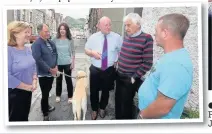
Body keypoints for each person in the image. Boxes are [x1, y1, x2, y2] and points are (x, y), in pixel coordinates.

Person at [137, 13, 193, 119]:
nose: (154, 34)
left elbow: (162, 108)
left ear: (165, 33)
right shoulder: (172, 57)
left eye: (156, 30)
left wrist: (141, 116)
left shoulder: (176, 65)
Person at [115, 13, 153, 119]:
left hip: (130, 78)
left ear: (138, 25)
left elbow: (148, 63)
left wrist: (134, 76)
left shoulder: (146, 38)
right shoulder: (127, 36)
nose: (126, 28)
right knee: (118, 101)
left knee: (126, 105)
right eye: (125, 25)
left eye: (129, 25)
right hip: (119, 75)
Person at [85, 16, 122, 120]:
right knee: (94, 90)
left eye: (110, 24)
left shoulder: (117, 38)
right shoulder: (93, 37)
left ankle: (102, 107)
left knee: (106, 90)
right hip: (95, 69)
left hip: (109, 70)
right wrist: (92, 53)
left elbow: (121, 50)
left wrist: (117, 60)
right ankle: (94, 109)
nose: (109, 27)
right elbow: (86, 50)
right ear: (99, 26)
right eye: (106, 25)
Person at [8, 21, 37, 121]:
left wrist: (34, 80)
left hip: (27, 92)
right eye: (26, 32)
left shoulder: (28, 49)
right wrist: (27, 87)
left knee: (24, 118)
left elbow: (33, 66)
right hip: (14, 94)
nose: (29, 35)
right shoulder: (8, 51)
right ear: (15, 33)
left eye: (30, 32)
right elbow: (6, 76)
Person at [31, 23, 58, 121]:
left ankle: (46, 106)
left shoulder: (50, 42)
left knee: (49, 89)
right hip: (43, 74)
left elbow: (55, 53)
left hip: (52, 72)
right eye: (46, 31)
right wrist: (50, 69)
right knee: (45, 93)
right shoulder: (36, 44)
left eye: (48, 31)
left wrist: (55, 66)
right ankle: (45, 112)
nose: (48, 33)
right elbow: (38, 59)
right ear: (40, 32)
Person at [52, 22, 75, 104]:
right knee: (58, 80)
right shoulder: (55, 39)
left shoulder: (70, 40)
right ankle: (58, 95)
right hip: (58, 63)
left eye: (64, 29)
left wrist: (73, 63)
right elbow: (52, 51)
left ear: (66, 30)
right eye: (61, 29)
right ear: (59, 30)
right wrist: (54, 64)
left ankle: (70, 96)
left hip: (67, 63)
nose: (62, 31)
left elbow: (73, 52)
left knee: (68, 80)